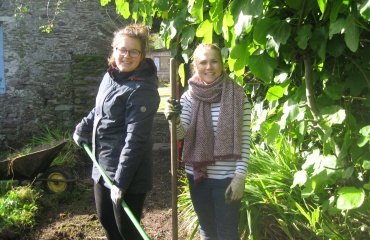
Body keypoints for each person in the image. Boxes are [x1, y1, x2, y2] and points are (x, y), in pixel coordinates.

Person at [73, 24, 160, 240]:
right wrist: (83, 127)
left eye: (133, 51)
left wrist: (121, 182)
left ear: (142, 56)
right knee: (108, 224)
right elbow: (99, 109)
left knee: (128, 232)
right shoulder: (111, 77)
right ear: (114, 50)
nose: (126, 56)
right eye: (122, 49)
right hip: (102, 166)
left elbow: (136, 140)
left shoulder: (143, 90)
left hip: (128, 174)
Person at [165, 43, 251, 240]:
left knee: (228, 231)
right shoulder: (188, 97)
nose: (209, 67)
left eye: (214, 61)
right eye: (203, 62)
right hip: (198, 177)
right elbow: (181, 135)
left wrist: (240, 178)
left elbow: (244, 138)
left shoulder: (238, 96)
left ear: (222, 64)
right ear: (196, 66)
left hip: (227, 178)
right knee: (207, 230)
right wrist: (173, 119)